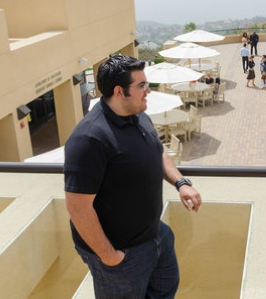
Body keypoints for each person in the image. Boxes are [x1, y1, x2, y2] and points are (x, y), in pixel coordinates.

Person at [64, 54, 202, 298]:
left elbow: (158, 153)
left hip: (156, 235)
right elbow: (78, 208)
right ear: (119, 92)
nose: (148, 90)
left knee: (165, 288)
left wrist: (180, 183)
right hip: (121, 252)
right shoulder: (90, 138)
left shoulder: (139, 116)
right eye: (141, 86)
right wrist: (110, 256)